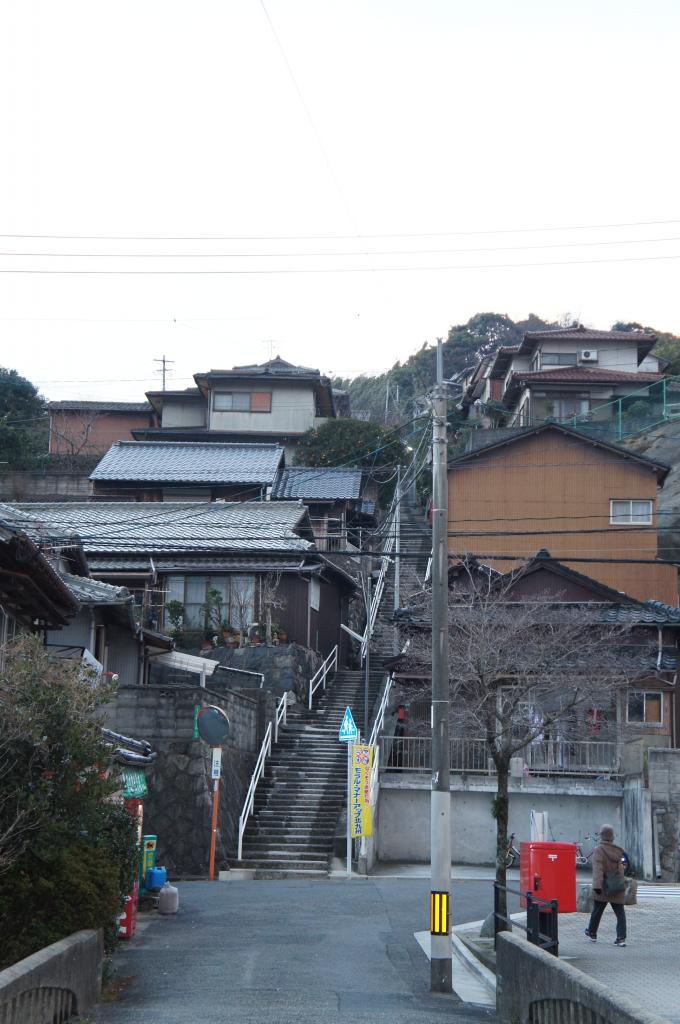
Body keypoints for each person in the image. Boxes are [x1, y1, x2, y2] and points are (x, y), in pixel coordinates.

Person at [585, 824, 627, 947]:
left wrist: (597, 886)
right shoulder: (618, 850)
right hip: (616, 886)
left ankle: (592, 934)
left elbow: (598, 869)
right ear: (612, 836)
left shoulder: (599, 850)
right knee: (620, 914)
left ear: (602, 836)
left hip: (603, 887)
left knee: (597, 911)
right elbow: (621, 868)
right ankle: (621, 938)